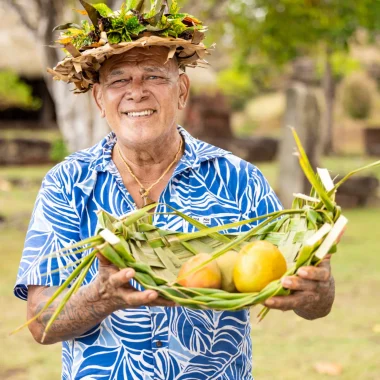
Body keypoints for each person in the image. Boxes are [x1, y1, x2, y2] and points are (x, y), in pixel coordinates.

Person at [15, 3, 335, 380]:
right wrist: (100, 298)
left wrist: (318, 292)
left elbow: (309, 298)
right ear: (100, 99)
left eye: (153, 76)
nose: (136, 93)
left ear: (181, 90)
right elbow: (40, 323)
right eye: (119, 80)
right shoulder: (66, 185)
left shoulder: (240, 181)